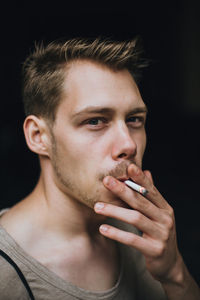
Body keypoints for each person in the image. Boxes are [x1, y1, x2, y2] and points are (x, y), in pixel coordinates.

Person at [0, 37, 199, 300]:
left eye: (134, 119)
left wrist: (174, 273)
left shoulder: (141, 233)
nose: (128, 144)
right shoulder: (6, 273)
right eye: (95, 121)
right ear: (38, 136)